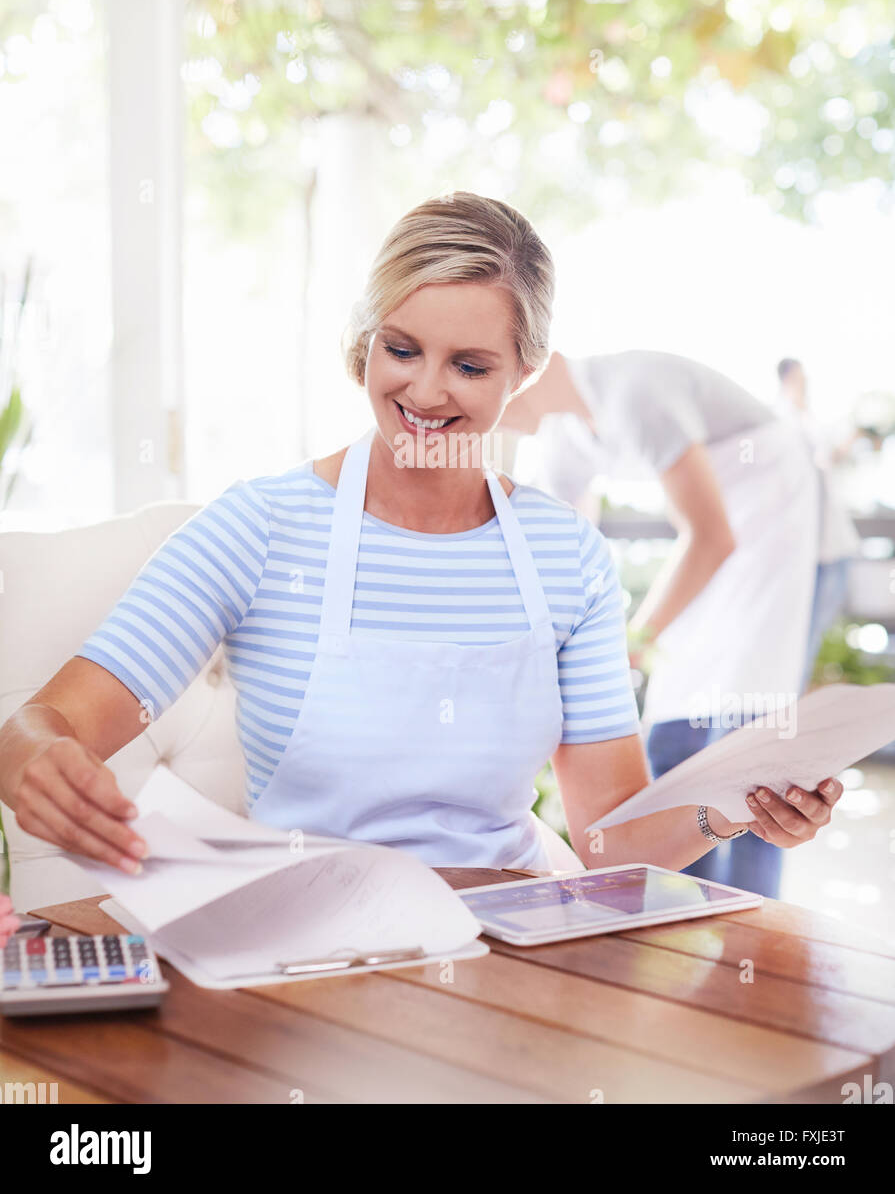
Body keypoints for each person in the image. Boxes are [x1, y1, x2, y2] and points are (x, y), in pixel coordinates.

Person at [0, 194, 841, 887]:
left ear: (526, 371)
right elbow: (43, 723)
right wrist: (36, 763)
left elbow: (606, 845)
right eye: (400, 350)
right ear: (366, 343)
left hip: (510, 947)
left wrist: (735, 805)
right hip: (308, 946)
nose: (425, 391)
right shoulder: (258, 528)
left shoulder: (565, 556)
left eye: (470, 366)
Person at [500, 348, 822, 899]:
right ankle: (681, 908)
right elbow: (555, 548)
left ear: (531, 363)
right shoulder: (564, 437)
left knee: (746, 735)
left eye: (473, 367)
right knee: (678, 718)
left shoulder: (634, 394)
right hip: (709, 546)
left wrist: (628, 642)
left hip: (767, 520)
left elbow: (713, 535)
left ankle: (749, 929)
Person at [776, 358, 860, 691]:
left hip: (830, 545)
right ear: (791, 377)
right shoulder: (785, 420)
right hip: (810, 551)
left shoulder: (805, 418)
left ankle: (790, 702)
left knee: (811, 633)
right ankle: (787, 707)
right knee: (801, 637)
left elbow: (828, 460)